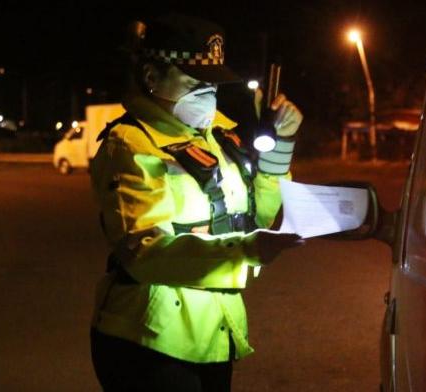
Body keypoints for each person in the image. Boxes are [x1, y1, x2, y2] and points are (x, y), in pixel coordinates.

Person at [88, 14, 304, 391]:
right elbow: (145, 253)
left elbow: (263, 214)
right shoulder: (130, 144)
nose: (207, 92)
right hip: (148, 339)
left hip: (213, 336)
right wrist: (247, 249)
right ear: (152, 77)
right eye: (194, 82)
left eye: (213, 83)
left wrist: (282, 141)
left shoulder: (217, 135)